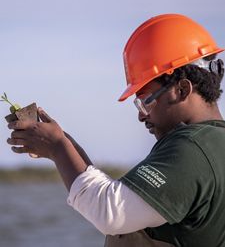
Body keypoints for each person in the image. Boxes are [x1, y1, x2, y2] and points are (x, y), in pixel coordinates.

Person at [7, 13, 225, 247]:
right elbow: (120, 200)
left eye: (145, 101)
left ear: (182, 89)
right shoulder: (213, 144)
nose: (142, 115)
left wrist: (58, 148)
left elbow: (110, 212)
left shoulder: (193, 148)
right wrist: (64, 144)